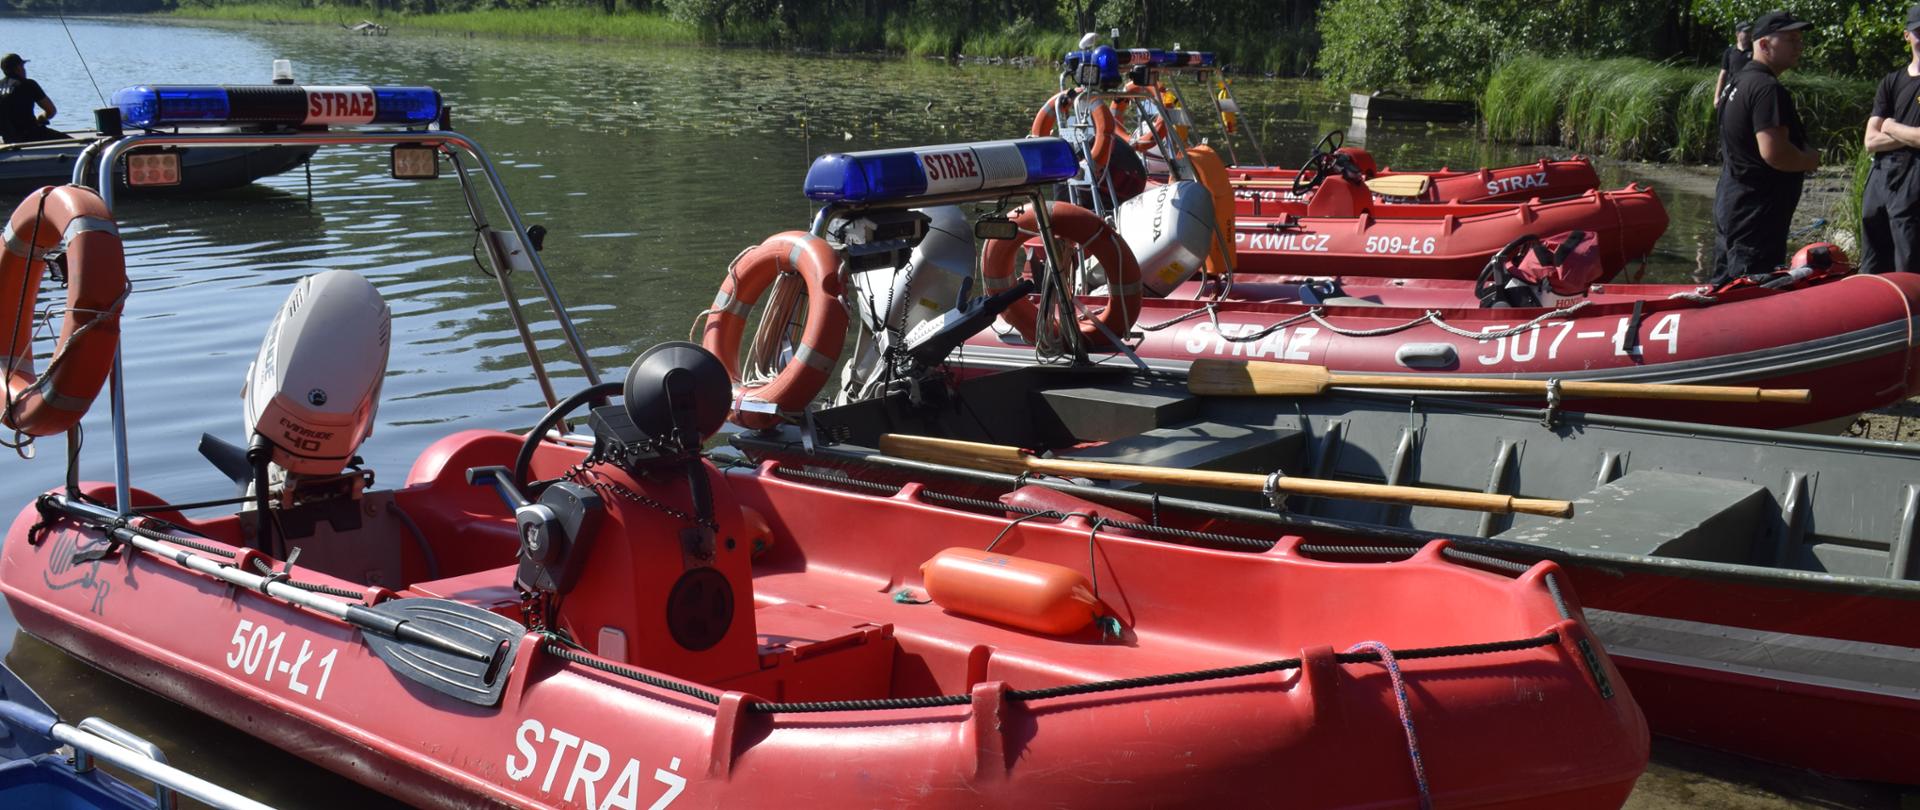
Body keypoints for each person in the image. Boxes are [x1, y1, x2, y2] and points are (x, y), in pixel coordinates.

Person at [1711, 11, 1821, 283]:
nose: (1799, 45)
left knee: (1725, 283)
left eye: (1799, 39)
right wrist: (1811, 159)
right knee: (1750, 287)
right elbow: (1776, 154)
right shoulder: (1766, 88)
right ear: (1763, 44)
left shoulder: (1737, 82)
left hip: (1733, 200)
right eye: (1790, 39)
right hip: (1756, 210)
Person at [1860, 5, 1920, 274]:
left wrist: (1890, 125)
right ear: (1907, 35)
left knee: (1908, 256)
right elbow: (1871, 140)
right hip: (1881, 176)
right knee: (1872, 255)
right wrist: (1907, 134)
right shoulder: (1892, 81)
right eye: (1919, 31)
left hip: (1915, 181)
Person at [0, 53, 61, 144]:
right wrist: (42, 117)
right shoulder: (28, 84)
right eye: (23, 66)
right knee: (79, 145)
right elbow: (51, 111)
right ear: (18, 68)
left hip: (8, 139)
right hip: (32, 136)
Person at [1712, 22, 1753, 110]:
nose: (1749, 34)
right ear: (1737, 34)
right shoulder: (1729, 52)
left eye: (1750, 31)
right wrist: (1717, 96)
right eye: (1746, 32)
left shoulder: (1755, 51)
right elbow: (1723, 74)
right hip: (1732, 91)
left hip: (1750, 90)